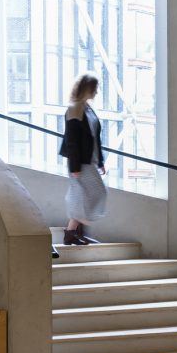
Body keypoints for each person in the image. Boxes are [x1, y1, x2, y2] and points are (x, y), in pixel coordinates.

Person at [59, 74, 106, 246]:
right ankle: (73, 232)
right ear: (87, 88)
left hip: (90, 160)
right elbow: (72, 141)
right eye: (95, 88)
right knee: (89, 194)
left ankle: (74, 232)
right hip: (80, 163)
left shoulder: (87, 108)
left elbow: (95, 138)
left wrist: (101, 161)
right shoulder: (74, 109)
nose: (97, 91)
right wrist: (74, 166)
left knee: (88, 195)